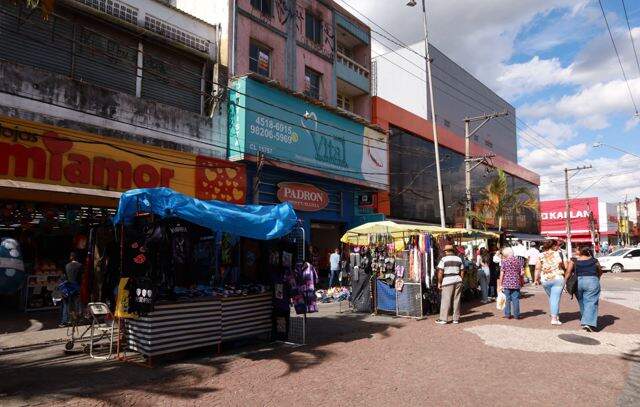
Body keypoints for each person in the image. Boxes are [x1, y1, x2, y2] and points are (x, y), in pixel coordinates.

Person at [567, 246, 602, 332]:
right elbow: (600, 271)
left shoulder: (574, 260)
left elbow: (568, 272)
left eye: (576, 249)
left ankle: (585, 320)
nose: (575, 250)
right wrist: (597, 279)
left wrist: (565, 282)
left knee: (581, 301)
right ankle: (588, 323)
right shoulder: (594, 260)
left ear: (580, 251)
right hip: (592, 281)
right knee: (591, 301)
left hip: (578, 282)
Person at [535, 240, 568, 325]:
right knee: (555, 298)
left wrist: (536, 279)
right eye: (557, 245)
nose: (558, 247)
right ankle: (554, 318)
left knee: (552, 298)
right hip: (557, 278)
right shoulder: (560, 253)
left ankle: (555, 315)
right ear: (554, 246)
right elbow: (566, 266)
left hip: (545, 279)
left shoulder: (540, 255)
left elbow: (537, 268)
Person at [435, 245, 465, 324]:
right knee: (457, 300)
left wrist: (439, 282)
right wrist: (461, 279)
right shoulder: (459, 259)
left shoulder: (443, 259)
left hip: (447, 280)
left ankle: (443, 319)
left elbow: (440, 272)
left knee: (446, 300)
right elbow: (462, 270)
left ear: (446, 251)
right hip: (457, 280)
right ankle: (456, 319)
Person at [498, 247, 523, 319]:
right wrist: (521, 282)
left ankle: (507, 314)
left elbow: (502, 273)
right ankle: (516, 315)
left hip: (506, 283)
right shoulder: (518, 261)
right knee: (516, 299)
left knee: (507, 299)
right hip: (516, 282)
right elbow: (520, 273)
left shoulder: (504, 262)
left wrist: (500, 284)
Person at [60, 251, 82, 327]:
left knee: (66, 304)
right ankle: (76, 320)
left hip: (68, 288)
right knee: (77, 304)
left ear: (71, 257)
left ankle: (65, 321)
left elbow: (65, 277)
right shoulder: (80, 266)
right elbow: (80, 278)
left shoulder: (67, 266)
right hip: (77, 287)